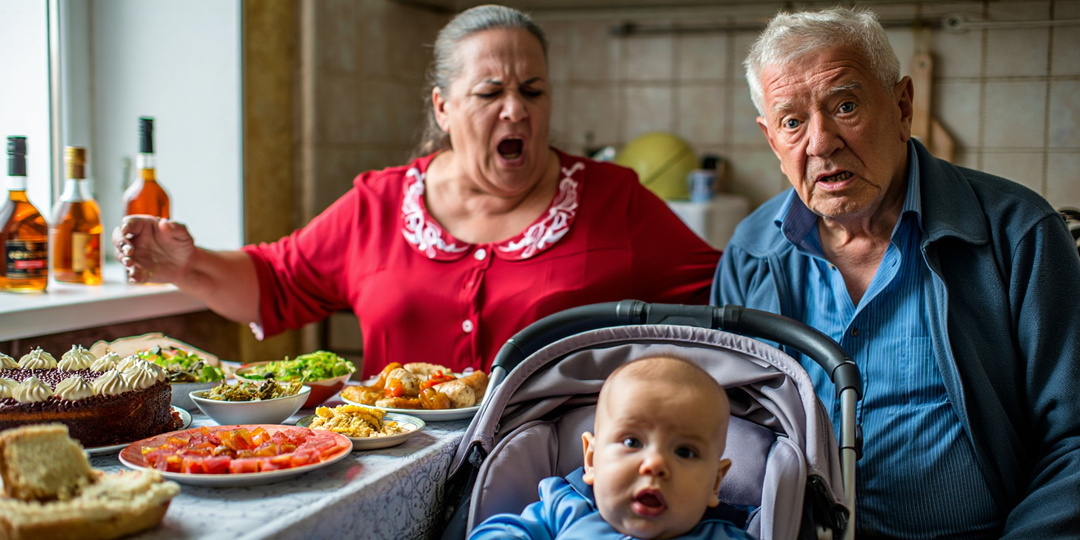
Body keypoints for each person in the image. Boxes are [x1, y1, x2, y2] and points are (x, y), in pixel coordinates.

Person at [112, 5, 720, 380]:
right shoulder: (377, 205)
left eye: (533, 92)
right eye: (490, 94)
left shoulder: (613, 201)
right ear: (444, 106)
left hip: (560, 482)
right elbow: (273, 283)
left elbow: (728, 292)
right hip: (396, 470)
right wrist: (186, 266)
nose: (516, 110)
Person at [713, 7, 1080, 539]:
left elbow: (1072, 439)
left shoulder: (1017, 233)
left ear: (902, 105)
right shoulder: (751, 252)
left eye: (845, 105)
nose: (820, 142)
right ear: (772, 140)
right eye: (792, 121)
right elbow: (725, 430)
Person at [469, 355, 752, 540]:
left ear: (715, 483)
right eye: (632, 442)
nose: (654, 464)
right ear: (591, 460)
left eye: (684, 452)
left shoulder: (723, 535)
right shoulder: (564, 510)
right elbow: (501, 532)